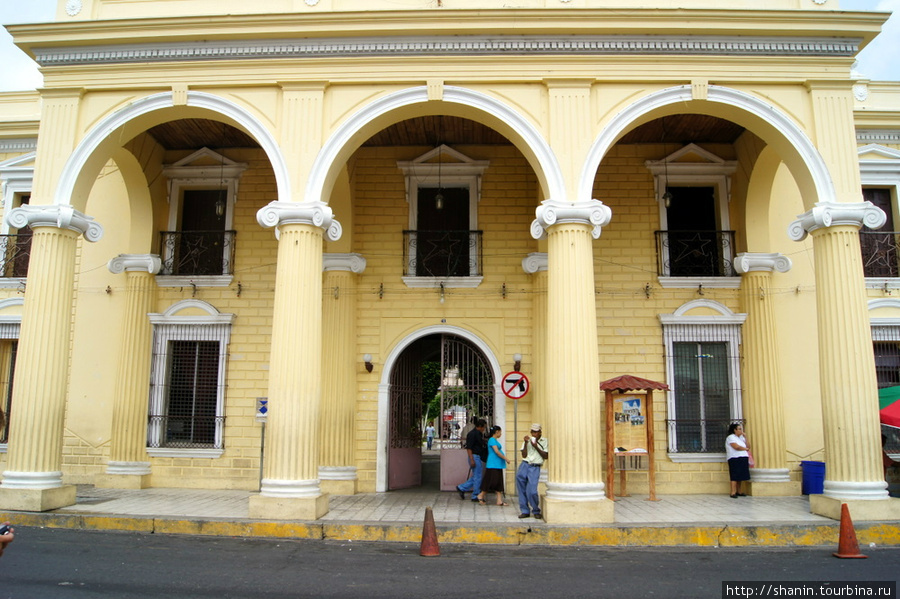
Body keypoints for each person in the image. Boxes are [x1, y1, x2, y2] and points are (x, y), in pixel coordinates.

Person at [516, 423, 548, 519]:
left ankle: (535, 510)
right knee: (521, 489)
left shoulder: (545, 441)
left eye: (536, 432)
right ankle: (525, 510)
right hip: (525, 465)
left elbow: (546, 456)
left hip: (535, 467)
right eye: (533, 432)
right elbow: (524, 455)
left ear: (540, 432)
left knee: (532, 491)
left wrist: (536, 446)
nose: (534, 434)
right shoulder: (528, 441)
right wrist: (526, 443)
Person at [477, 425, 510, 506]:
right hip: (493, 464)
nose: (501, 434)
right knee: (491, 481)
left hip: (498, 464)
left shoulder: (494, 440)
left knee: (499, 482)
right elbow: (496, 451)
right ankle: (481, 495)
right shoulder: (492, 440)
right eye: (500, 432)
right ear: (497, 432)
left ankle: (499, 500)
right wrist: (506, 458)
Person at [456, 418, 487, 502]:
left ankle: (462, 487)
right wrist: (471, 459)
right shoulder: (472, 434)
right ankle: (475, 494)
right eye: (483, 427)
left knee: (476, 476)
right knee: (477, 477)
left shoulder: (478, 434)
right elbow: (469, 447)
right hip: (474, 456)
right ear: (480, 426)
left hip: (477, 456)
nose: (484, 429)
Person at [725, 423, 750, 498]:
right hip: (735, 458)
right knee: (734, 475)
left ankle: (739, 491)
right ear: (734, 430)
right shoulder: (731, 437)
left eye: (741, 429)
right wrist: (745, 449)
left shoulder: (741, 438)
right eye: (739, 429)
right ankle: (733, 492)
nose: (741, 430)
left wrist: (746, 437)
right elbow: (736, 447)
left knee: (741, 476)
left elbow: (749, 446)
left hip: (743, 457)